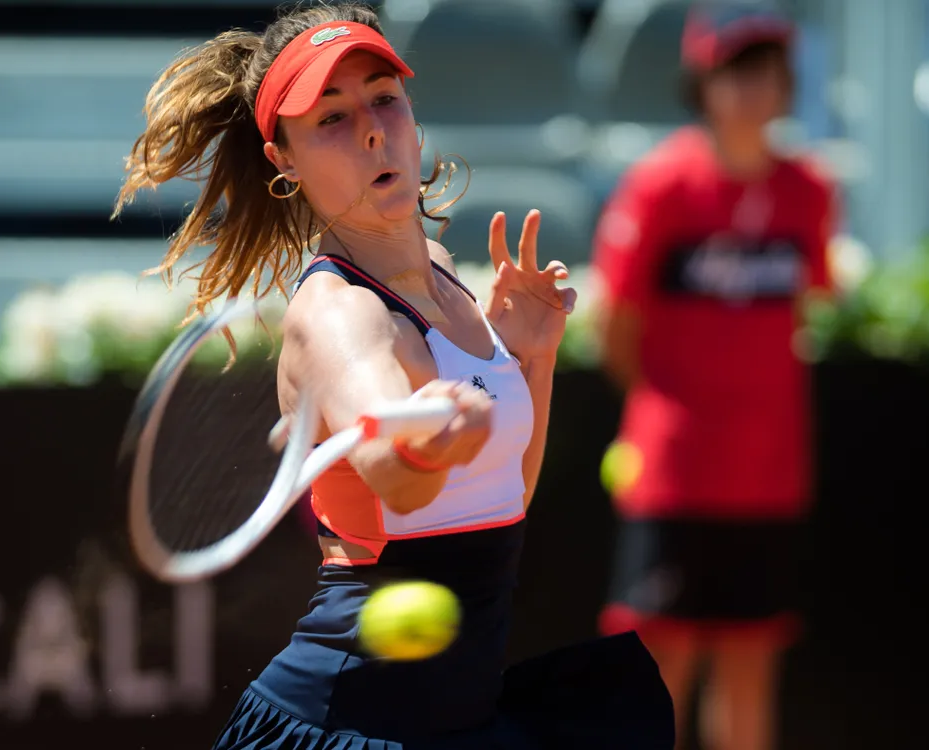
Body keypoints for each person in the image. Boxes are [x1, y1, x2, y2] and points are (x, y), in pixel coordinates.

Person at [113, 2, 673, 748]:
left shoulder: (442, 274)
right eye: (331, 118)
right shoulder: (338, 315)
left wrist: (531, 355)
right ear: (284, 160)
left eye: (384, 97)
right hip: (349, 725)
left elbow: (505, 497)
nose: (374, 129)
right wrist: (427, 436)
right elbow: (397, 475)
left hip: (457, 716)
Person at [591, 3, 839, 750]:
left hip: (769, 473)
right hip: (673, 473)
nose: (753, 86)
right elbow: (616, 328)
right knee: (661, 668)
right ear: (702, 80)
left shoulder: (810, 191)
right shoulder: (659, 185)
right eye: (735, 68)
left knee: (751, 669)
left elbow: (802, 310)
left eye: (767, 69)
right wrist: (671, 414)